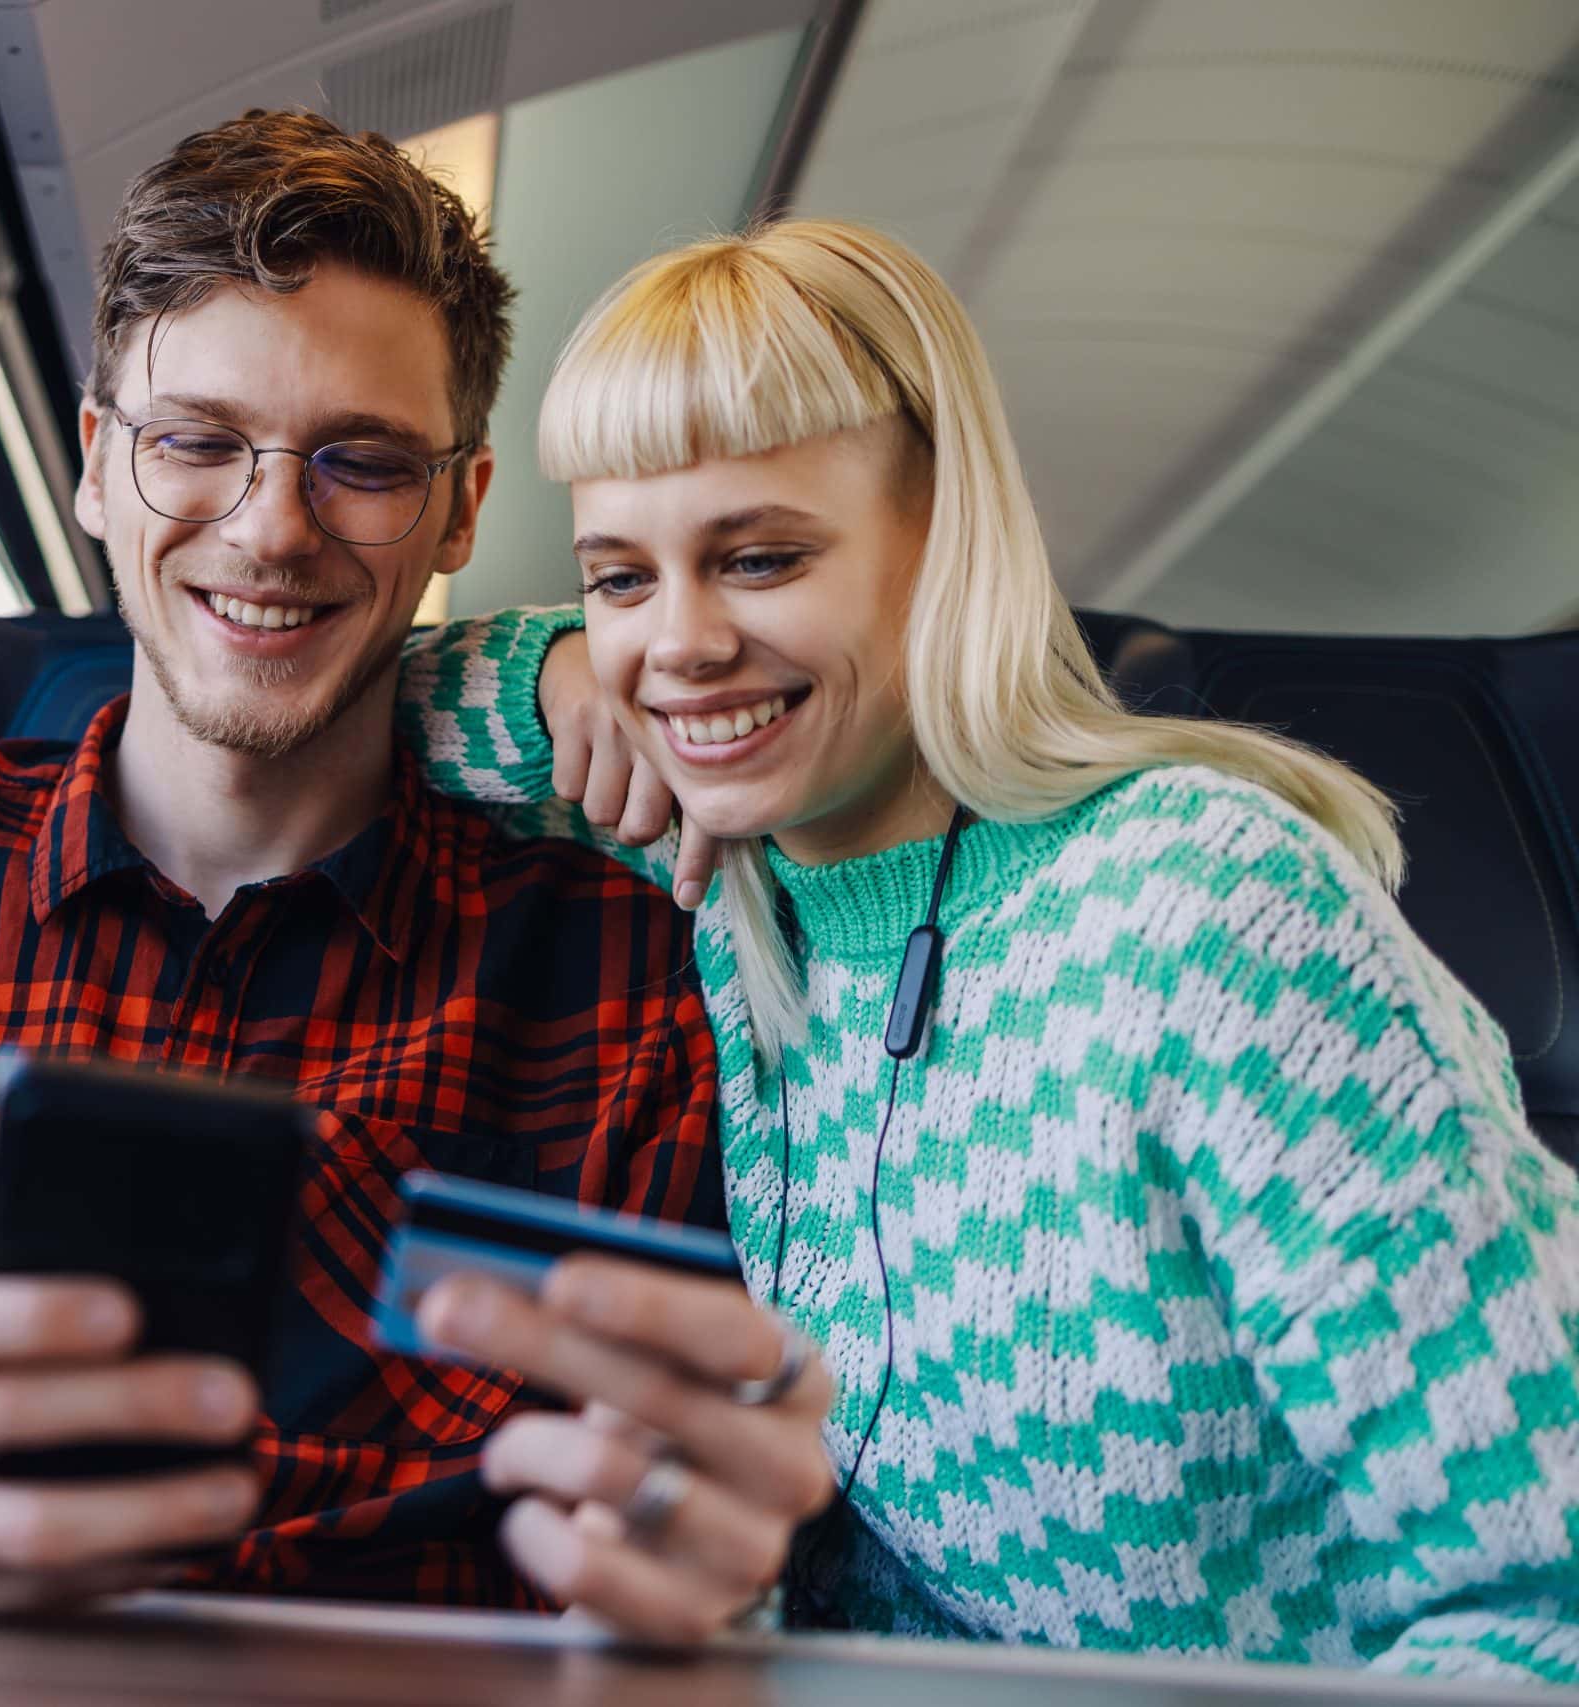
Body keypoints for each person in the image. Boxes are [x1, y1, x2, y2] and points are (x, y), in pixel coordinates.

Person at [0, 110, 834, 1640]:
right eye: (197, 443)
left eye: (361, 461)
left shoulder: (626, 971)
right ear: (96, 466)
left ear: (462, 512)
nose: (271, 530)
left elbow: (652, 1499)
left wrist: (702, 1556)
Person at [397, 218, 1579, 1681]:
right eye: (622, 575)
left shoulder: (1202, 908)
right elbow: (352, 683)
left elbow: (1552, 1594)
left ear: (944, 536)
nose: (684, 644)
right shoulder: (721, 877)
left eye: (759, 558)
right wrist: (573, 667)